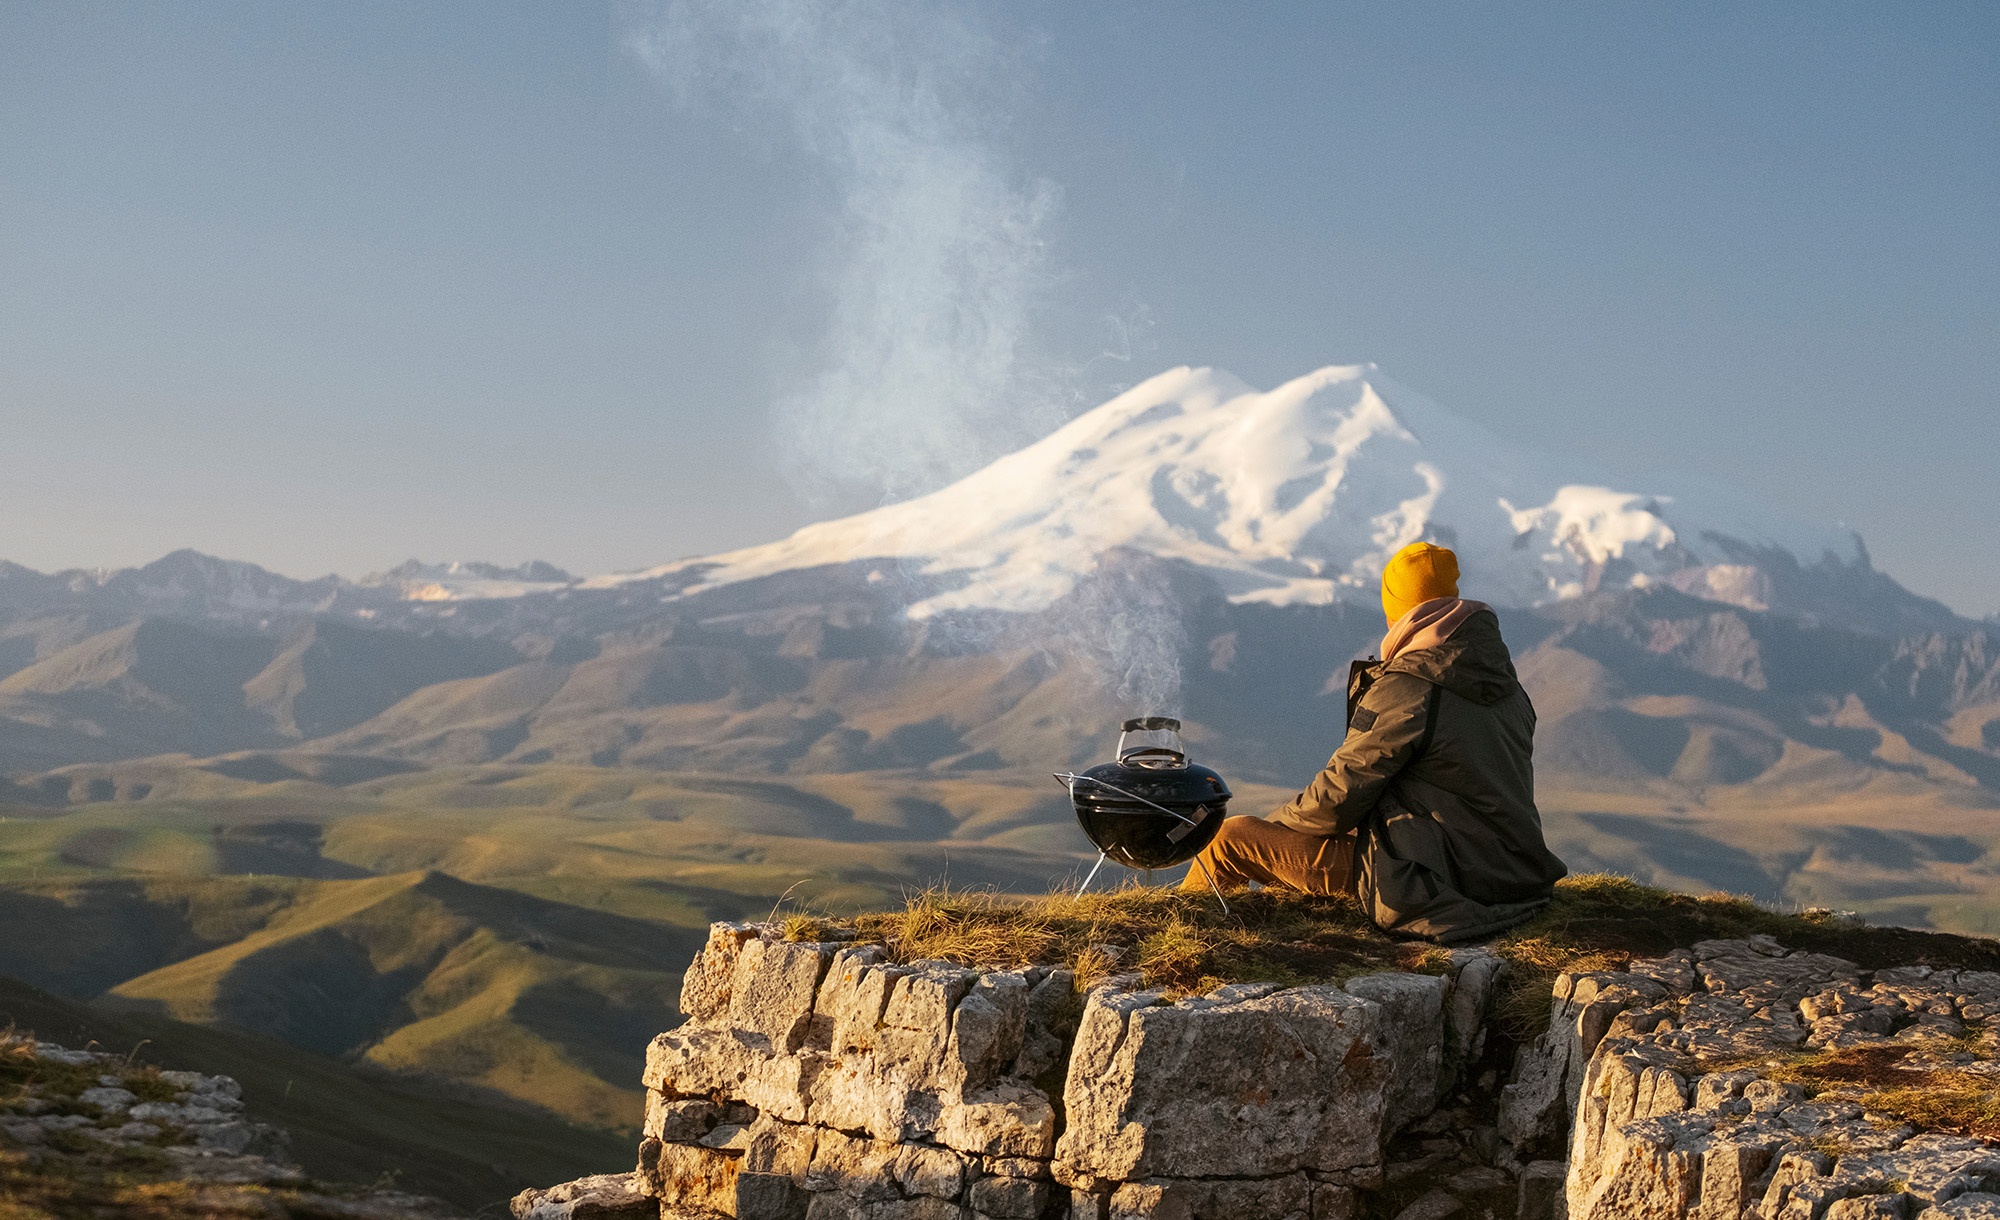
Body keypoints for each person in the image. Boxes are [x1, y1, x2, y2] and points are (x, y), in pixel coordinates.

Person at [1180, 541, 1567, 943]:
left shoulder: (1412, 684)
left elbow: (1334, 801)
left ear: (1396, 610)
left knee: (1230, 839)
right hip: (1512, 873)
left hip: (1437, 879)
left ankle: (1182, 940)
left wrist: (1271, 828)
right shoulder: (1506, 683)